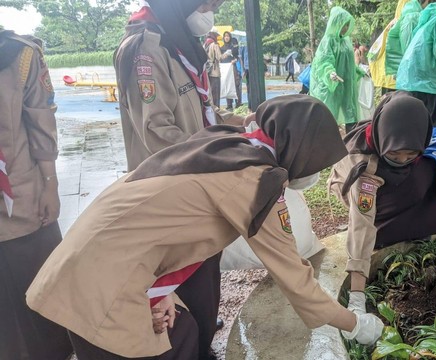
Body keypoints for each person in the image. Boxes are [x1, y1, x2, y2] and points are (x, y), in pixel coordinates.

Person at [26, 95, 384, 359]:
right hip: (102, 290)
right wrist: (356, 324)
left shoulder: (226, 143)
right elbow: (297, 280)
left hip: (90, 263)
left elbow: (159, 220)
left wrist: (158, 290)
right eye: (318, 161)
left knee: (183, 336)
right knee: (167, 347)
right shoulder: (257, 184)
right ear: (300, 150)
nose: (316, 172)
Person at [113, 1, 240, 359]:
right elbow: (157, 131)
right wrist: (215, 149)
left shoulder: (179, 41)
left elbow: (202, 110)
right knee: (184, 272)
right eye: (206, 5)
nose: (209, 13)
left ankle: (203, 330)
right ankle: (192, 345)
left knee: (207, 263)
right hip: (171, 182)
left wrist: (235, 125)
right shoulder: (145, 50)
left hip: (198, 175)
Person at [328, 91, 436, 317]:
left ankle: (416, 224)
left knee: (435, 167)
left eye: (410, 154)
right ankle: (389, 227)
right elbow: (361, 223)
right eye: (395, 154)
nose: (402, 160)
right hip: (356, 189)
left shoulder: (402, 125)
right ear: (383, 140)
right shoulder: (364, 168)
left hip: (388, 176)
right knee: (386, 204)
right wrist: (357, 295)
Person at [0, 28, 73, 360]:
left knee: (43, 297)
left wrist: (50, 185)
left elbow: (41, 124)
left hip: (22, 200)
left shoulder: (17, 54)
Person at [396, 0, 436, 128]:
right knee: (434, 128)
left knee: (416, 128)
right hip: (429, 84)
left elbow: (427, 45)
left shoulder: (429, 17)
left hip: (412, 82)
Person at [310, 6, 366, 133]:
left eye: (347, 25)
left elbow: (349, 63)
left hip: (346, 83)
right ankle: (329, 144)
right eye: (343, 25)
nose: (345, 28)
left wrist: (358, 71)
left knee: (350, 112)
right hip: (332, 86)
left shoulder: (346, 41)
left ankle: (351, 143)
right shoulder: (327, 41)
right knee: (330, 114)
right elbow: (324, 61)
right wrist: (330, 73)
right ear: (335, 23)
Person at [369, 0, 412, 95]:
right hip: (396, 79)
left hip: (389, 77)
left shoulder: (393, 24)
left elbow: (372, 53)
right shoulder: (406, 25)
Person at [385, 0, 425, 76]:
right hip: (412, 72)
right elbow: (410, 49)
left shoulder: (404, 19)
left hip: (405, 70)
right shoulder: (412, 19)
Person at [220, 31, 241, 110]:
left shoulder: (234, 47)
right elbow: (220, 58)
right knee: (227, 84)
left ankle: (238, 103)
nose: (226, 37)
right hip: (225, 69)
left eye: (228, 36)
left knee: (236, 84)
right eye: (225, 36)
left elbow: (237, 57)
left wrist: (234, 61)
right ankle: (229, 104)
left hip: (232, 68)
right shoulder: (221, 48)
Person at [204, 27, 222, 108]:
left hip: (207, 71)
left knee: (210, 93)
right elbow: (219, 58)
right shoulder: (214, 45)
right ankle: (217, 111)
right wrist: (227, 54)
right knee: (216, 94)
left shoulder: (205, 44)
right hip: (215, 72)